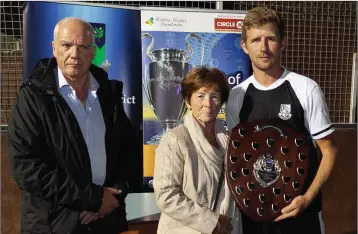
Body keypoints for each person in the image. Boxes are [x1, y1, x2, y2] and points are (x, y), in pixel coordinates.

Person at [7, 17, 140, 234]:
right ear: (54, 48)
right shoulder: (34, 97)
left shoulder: (108, 93)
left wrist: (114, 194)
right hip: (55, 225)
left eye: (83, 46)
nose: (74, 54)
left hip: (104, 222)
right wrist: (93, 199)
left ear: (93, 52)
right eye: (67, 45)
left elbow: (129, 150)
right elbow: (26, 167)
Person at [225, 6, 338, 234]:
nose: (263, 48)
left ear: (283, 43)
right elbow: (235, 157)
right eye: (256, 40)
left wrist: (307, 198)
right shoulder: (237, 95)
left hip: (300, 218)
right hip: (253, 220)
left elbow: (330, 151)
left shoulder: (306, 88)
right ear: (245, 46)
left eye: (270, 39)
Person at [153, 67, 242, 234]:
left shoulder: (230, 141)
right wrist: (212, 222)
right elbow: (167, 195)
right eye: (200, 96)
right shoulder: (175, 140)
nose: (208, 104)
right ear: (188, 101)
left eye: (214, 96)